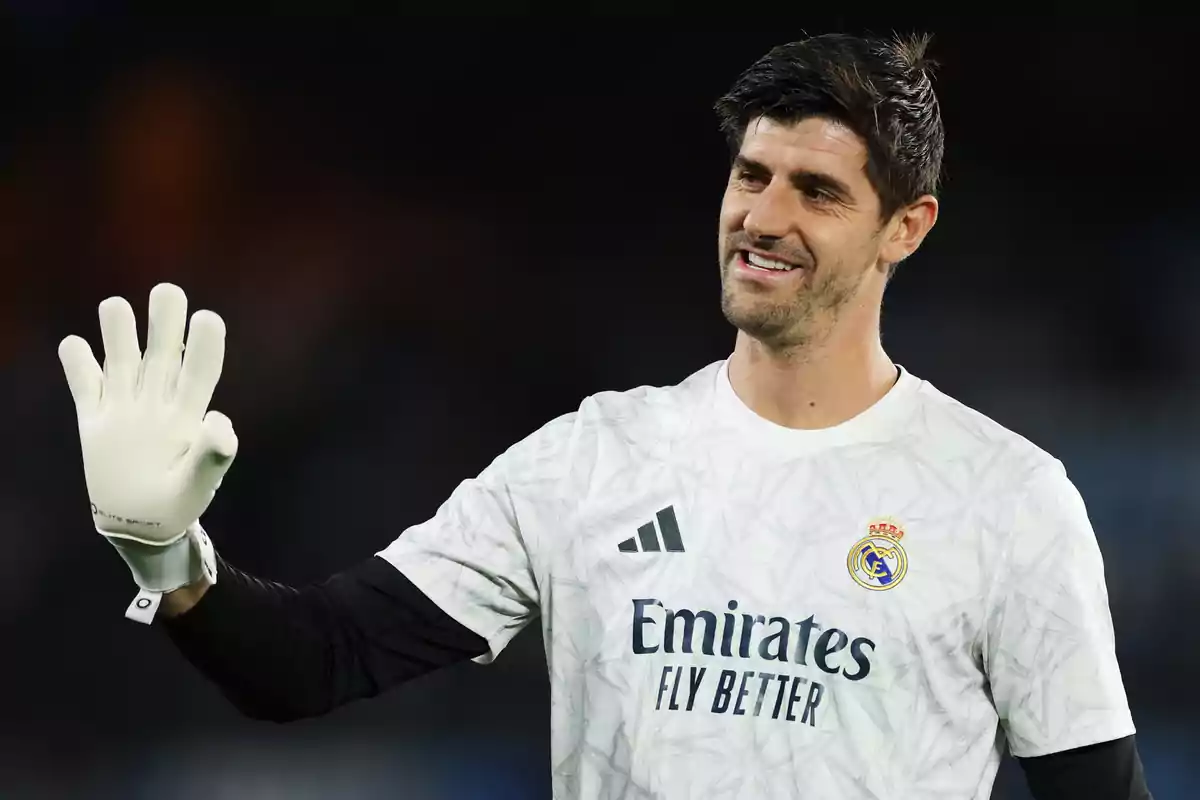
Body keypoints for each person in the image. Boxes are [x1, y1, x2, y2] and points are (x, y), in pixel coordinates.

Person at [58, 32, 1151, 800]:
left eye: (816, 191)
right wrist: (167, 558)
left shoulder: (1005, 497)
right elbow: (311, 661)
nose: (762, 216)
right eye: (750, 174)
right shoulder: (593, 459)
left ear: (905, 227)